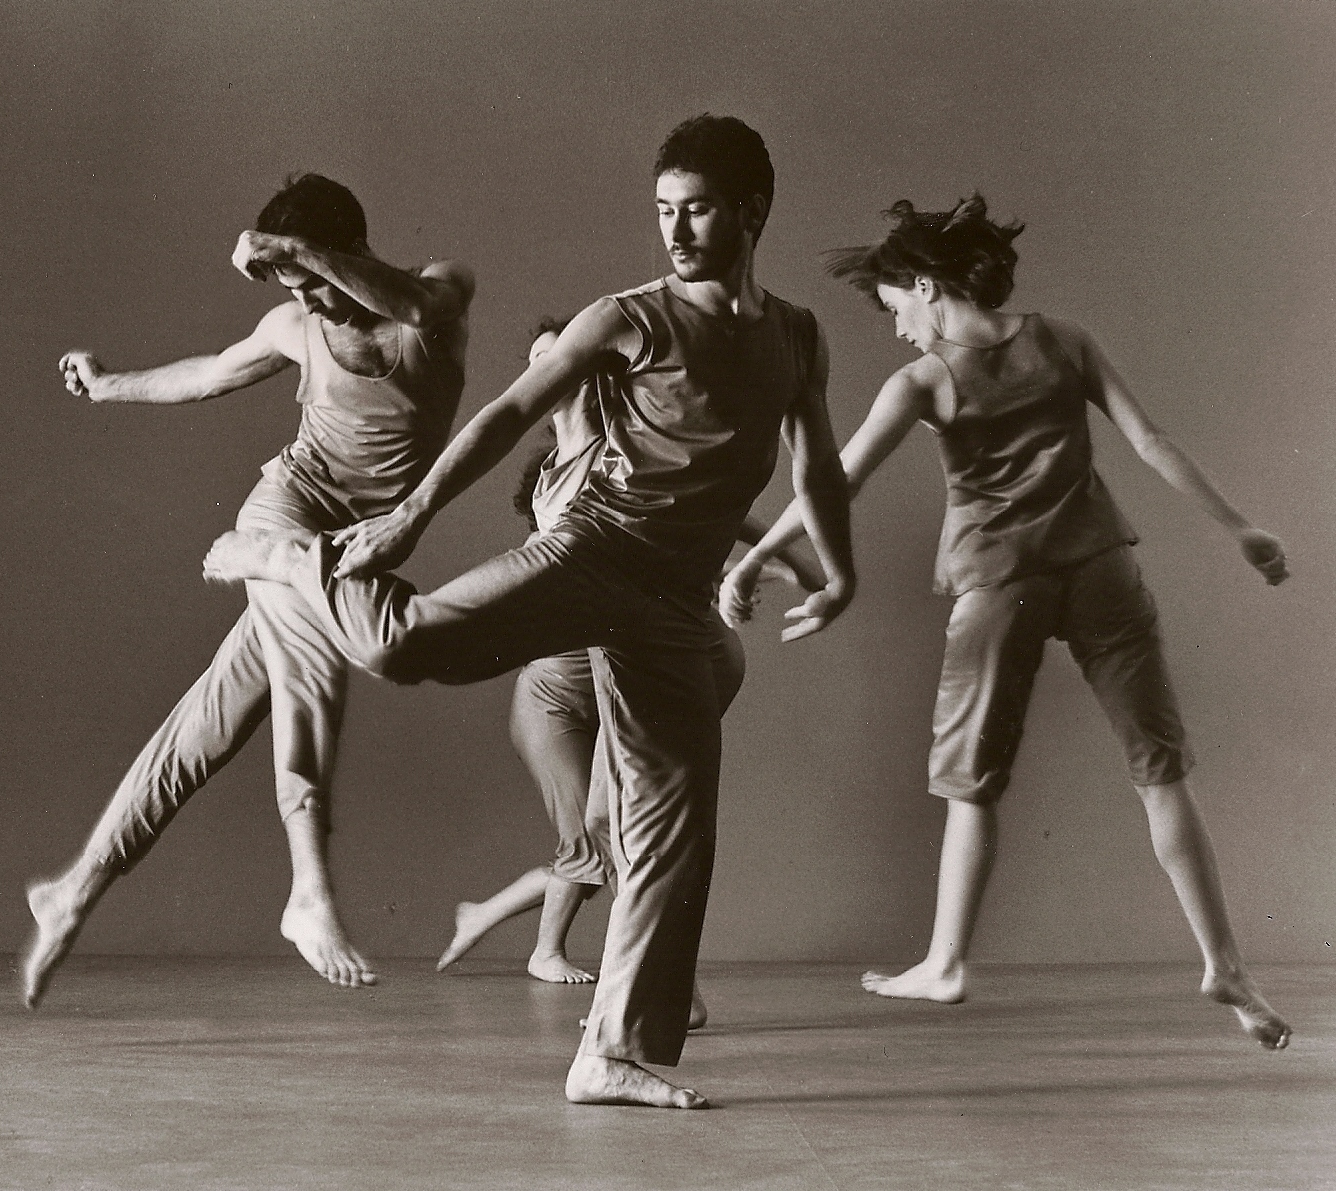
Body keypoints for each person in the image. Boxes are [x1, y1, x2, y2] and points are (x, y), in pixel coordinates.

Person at [204, 115, 856, 1108]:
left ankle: (607, 1055)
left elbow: (815, 463)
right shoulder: (629, 318)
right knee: (411, 644)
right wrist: (411, 516)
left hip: (677, 603)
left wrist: (836, 571)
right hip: (596, 552)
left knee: (674, 834)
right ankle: (290, 557)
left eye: (697, 210)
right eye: (664, 211)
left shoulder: (796, 336)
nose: (677, 230)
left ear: (752, 210)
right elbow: (508, 412)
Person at [722, 195, 1290, 1050]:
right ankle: (1225, 963)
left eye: (896, 309)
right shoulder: (1064, 338)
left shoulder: (924, 381)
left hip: (1001, 585)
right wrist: (1240, 527)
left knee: (969, 784)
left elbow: (837, 479)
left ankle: (946, 962)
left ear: (926, 286)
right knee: (1161, 771)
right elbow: (1150, 440)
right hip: (1102, 569)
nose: (899, 330)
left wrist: (754, 556)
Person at [21, 174, 474, 1004]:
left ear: (349, 253)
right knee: (311, 664)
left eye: (314, 280)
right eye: (292, 288)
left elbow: (412, 306)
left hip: (349, 549)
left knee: (210, 721)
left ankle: (77, 884)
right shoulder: (294, 325)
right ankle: (309, 887)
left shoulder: (438, 290)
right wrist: (107, 383)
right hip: (286, 513)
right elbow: (208, 373)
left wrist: (296, 250)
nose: (308, 301)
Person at [437, 320, 826, 999]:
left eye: (560, 356)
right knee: (605, 833)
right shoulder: (548, 481)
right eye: (536, 360)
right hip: (577, 682)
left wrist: (786, 564)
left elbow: (719, 510)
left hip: (643, 663)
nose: (546, 369)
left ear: (594, 371)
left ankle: (653, 988)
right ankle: (654, 987)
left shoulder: (625, 456)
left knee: (621, 828)